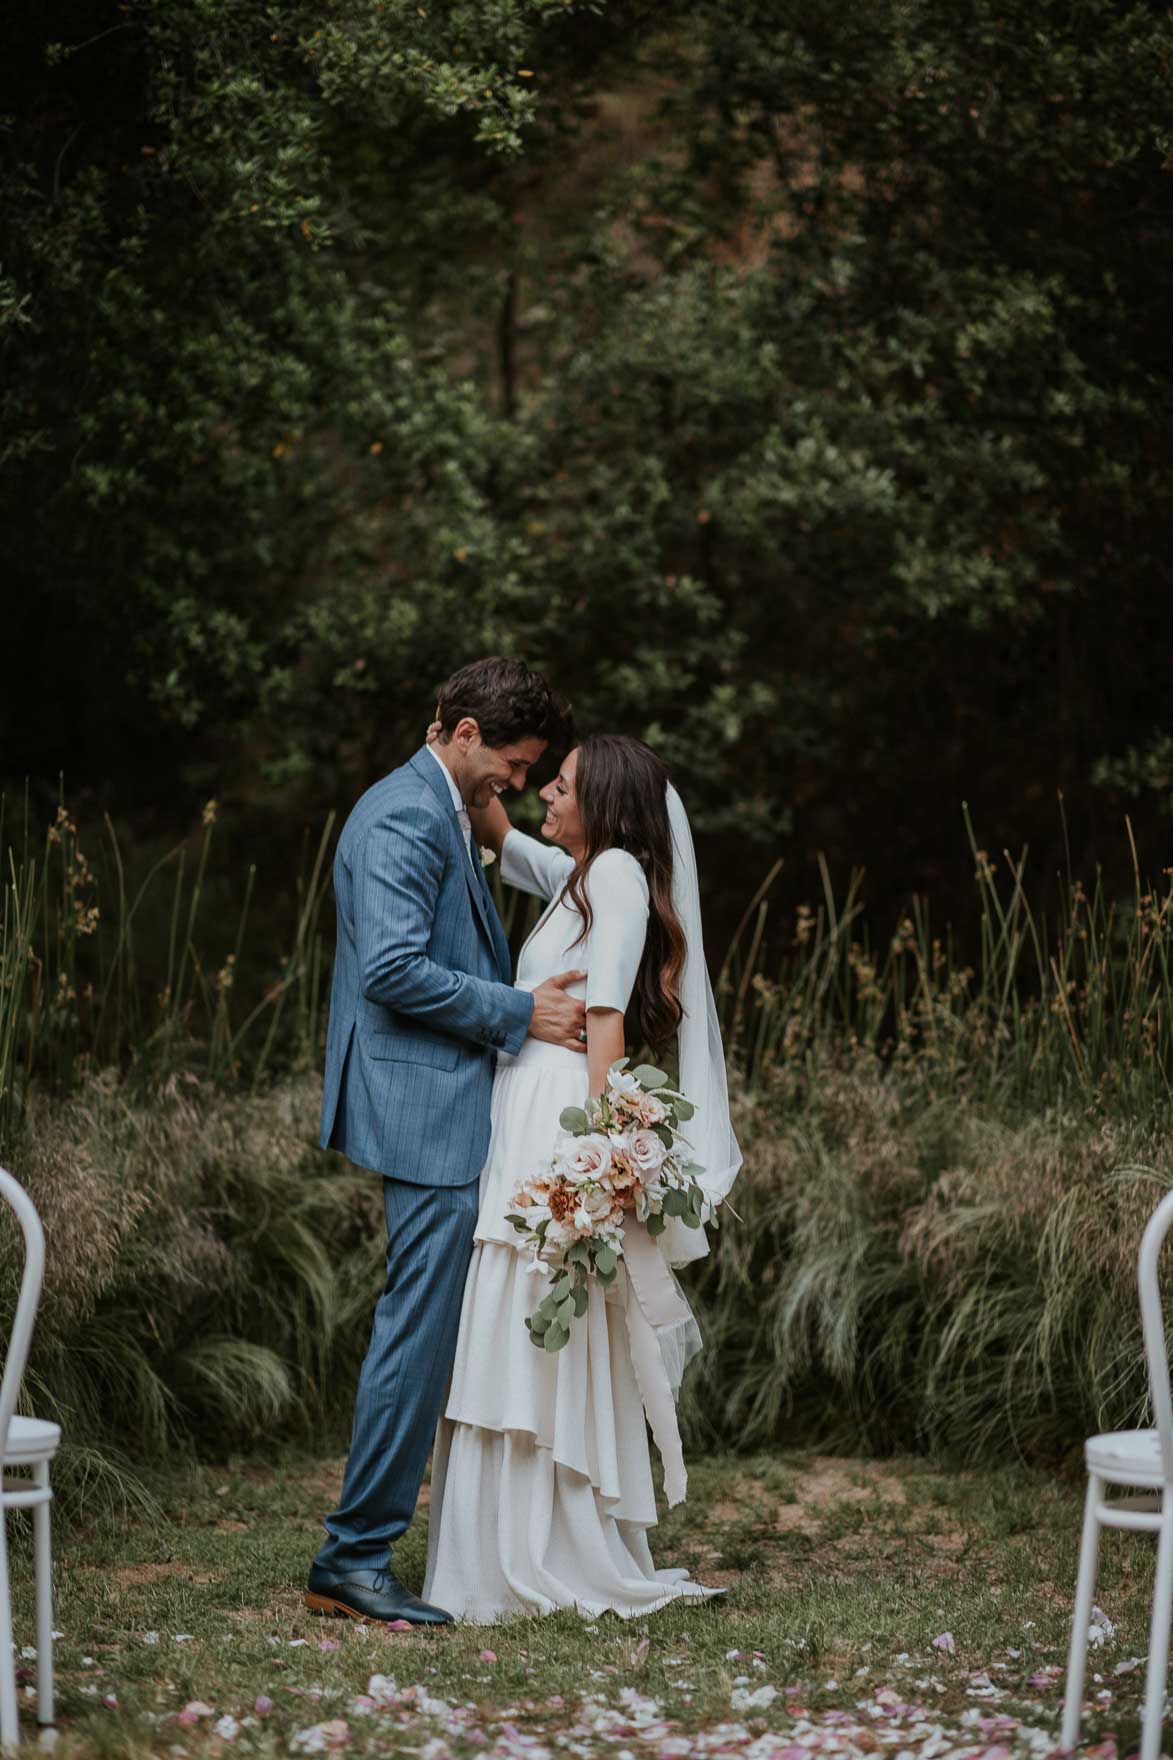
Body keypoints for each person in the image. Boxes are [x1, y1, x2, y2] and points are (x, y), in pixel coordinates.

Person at [423, 731, 743, 1620]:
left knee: (534, 1300)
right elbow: (496, 826)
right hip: (529, 1102)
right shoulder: (575, 875)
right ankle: (503, 1539)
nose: (542, 798)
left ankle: (540, 1543)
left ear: (602, 802)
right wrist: (449, 743)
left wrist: (599, 1153)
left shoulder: (614, 876)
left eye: (559, 787)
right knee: (516, 1297)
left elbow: (605, 1019)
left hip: (564, 1110)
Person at [306, 657, 585, 1627]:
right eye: (512, 760)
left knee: (420, 1331)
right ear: (463, 731)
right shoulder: (402, 814)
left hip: (438, 1097)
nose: (515, 778)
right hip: (419, 1105)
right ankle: (353, 1556)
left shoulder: (449, 808)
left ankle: (363, 1545)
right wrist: (521, 1012)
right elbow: (389, 968)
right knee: (414, 1335)